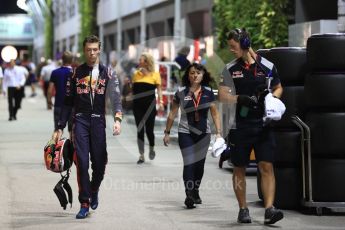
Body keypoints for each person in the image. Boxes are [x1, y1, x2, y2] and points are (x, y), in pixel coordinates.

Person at [52, 35, 122, 219]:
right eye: (88, 50)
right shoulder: (75, 74)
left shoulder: (109, 73)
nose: (91, 53)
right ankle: (84, 203)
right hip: (80, 120)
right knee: (81, 162)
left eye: (94, 49)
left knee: (99, 163)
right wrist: (59, 127)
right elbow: (67, 103)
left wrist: (117, 119)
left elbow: (116, 99)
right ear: (84, 51)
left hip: (98, 120)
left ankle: (94, 188)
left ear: (99, 50)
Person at [218, 28, 284, 225]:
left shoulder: (267, 66)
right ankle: (243, 209)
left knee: (266, 166)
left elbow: (279, 87)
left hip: (263, 125)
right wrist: (239, 98)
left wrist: (272, 99)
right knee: (239, 168)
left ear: (245, 44)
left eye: (233, 46)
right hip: (240, 126)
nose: (231, 50)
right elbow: (222, 95)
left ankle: (269, 209)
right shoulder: (230, 69)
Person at [163, 63, 222, 209]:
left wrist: (218, 133)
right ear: (188, 75)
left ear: (203, 75)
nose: (195, 75)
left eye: (198, 73)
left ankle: (195, 190)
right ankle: (189, 194)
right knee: (189, 162)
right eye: (192, 73)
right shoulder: (181, 92)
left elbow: (214, 113)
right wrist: (167, 132)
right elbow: (172, 113)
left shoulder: (208, 92)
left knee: (199, 165)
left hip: (204, 133)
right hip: (185, 132)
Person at [132, 52, 164, 164]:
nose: (139, 61)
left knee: (149, 130)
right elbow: (133, 90)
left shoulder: (155, 74)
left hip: (150, 106)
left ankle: (151, 148)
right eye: (139, 59)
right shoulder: (136, 74)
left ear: (147, 62)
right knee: (140, 130)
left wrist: (160, 102)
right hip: (137, 105)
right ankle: (141, 155)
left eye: (141, 60)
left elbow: (159, 90)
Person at [47, 51, 74, 133]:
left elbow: (49, 89)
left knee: (57, 130)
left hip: (59, 104)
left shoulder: (55, 72)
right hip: (72, 106)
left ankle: (54, 145)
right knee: (72, 131)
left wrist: (49, 101)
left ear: (62, 60)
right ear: (71, 60)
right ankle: (72, 145)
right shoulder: (75, 72)